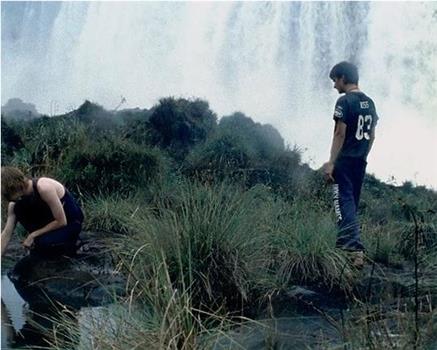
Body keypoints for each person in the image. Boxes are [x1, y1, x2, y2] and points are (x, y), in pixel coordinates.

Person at [322, 61, 378, 268]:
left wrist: (331, 162)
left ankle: (355, 249)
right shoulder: (370, 103)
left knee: (341, 202)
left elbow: (339, 133)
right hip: (360, 161)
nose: (334, 85)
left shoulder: (344, 102)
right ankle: (344, 248)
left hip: (344, 161)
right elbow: (372, 136)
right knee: (351, 205)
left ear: (343, 78)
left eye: (335, 80)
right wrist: (362, 155)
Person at [1, 167, 84, 257]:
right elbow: (6, 233)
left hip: (70, 222)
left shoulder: (43, 187)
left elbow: (61, 221)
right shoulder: (14, 204)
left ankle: (74, 244)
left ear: (14, 186)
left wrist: (33, 235)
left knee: (43, 244)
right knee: (17, 208)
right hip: (49, 225)